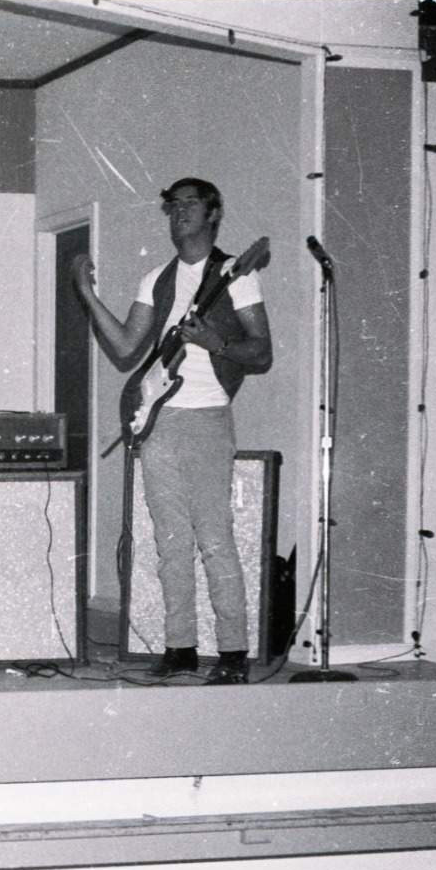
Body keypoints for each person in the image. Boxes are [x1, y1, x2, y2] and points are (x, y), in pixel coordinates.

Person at [69, 177, 273, 685]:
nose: (179, 212)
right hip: (157, 419)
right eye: (172, 205)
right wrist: (86, 293)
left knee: (216, 539)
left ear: (213, 214)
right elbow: (124, 348)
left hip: (206, 418)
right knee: (169, 542)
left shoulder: (235, 275)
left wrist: (216, 343)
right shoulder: (156, 278)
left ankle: (232, 653)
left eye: (190, 204)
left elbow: (262, 352)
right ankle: (179, 646)